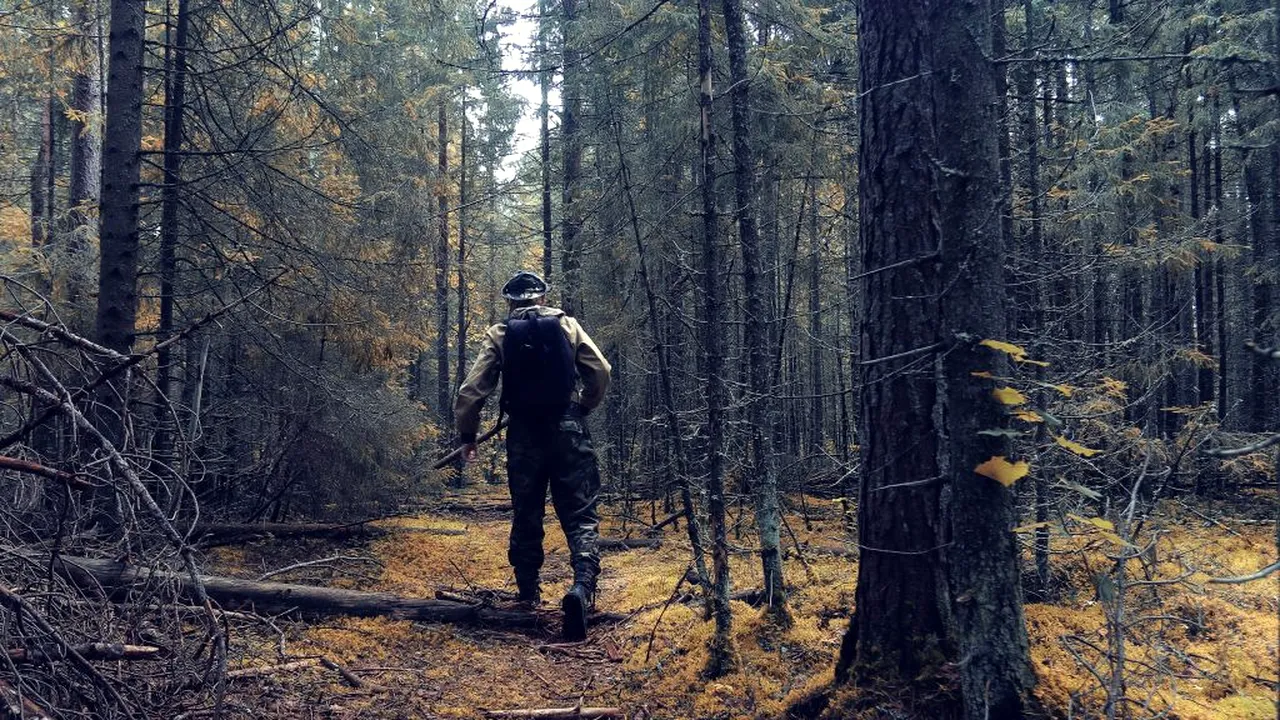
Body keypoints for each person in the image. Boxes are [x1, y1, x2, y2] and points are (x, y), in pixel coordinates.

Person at [454, 271, 612, 641]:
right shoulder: (568, 326)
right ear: (542, 298)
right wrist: (583, 407)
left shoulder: (501, 333)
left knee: (527, 512)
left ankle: (527, 597)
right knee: (580, 513)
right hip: (568, 429)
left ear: (511, 301)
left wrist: (468, 436)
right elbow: (601, 371)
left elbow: (471, 391)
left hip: (524, 434)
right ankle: (581, 589)